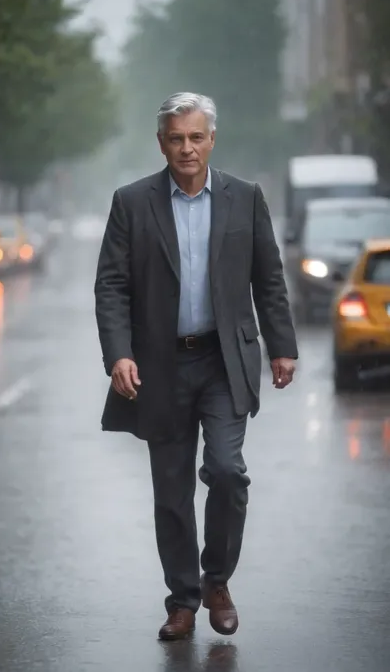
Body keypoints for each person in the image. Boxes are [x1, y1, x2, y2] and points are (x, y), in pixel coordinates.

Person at [94, 92, 298, 641]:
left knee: (228, 472)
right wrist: (119, 353)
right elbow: (111, 285)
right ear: (161, 142)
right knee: (172, 491)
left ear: (212, 139)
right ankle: (182, 600)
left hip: (223, 360)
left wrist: (282, 346)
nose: (187, 148)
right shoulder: (132, 202)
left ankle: (217, 581)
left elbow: (269, 278)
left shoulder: (245, 198)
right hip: (160, 368)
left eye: (196, 137)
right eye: (176, 138)